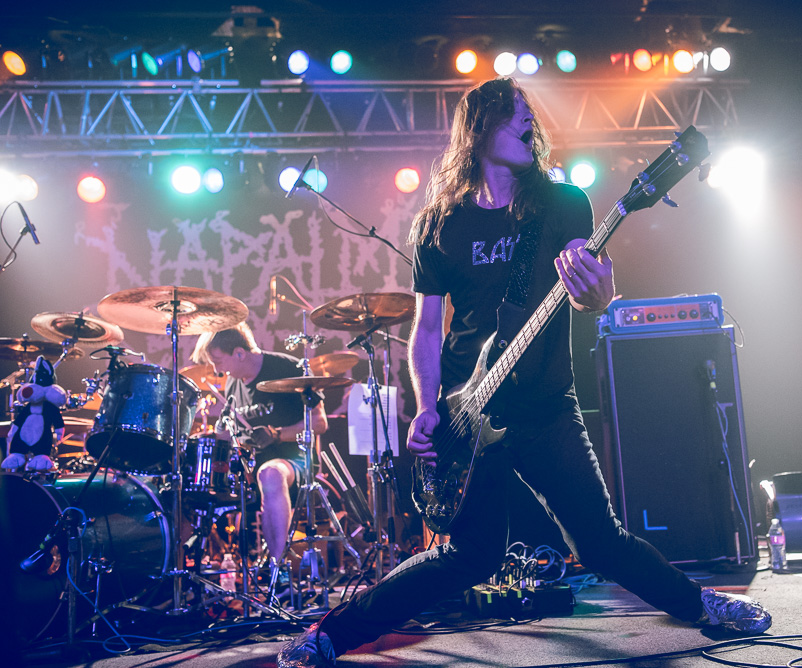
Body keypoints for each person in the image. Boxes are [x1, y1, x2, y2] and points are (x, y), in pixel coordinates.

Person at [279, 77, 770, 667]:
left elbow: (590, 294)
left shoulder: (563, 203)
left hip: (546, 405)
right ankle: (330, 636)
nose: (528, 123)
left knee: (601, 542)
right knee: (467, 556)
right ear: (479, 127)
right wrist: (428, 408)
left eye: (530, 116)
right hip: (467, 411)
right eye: (514, 114)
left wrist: (598, 295)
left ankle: (702, 606)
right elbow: (428, 329)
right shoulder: (439, 223)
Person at [192, 322, 328, 571]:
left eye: (218, 361)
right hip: (251, 465)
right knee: (191, 484)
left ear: (239, 353)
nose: (217, 370)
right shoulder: (233, 385)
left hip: (294, 461)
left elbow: (319, 423)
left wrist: (277, 434)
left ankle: (279, 569)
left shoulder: (287, 367)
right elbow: (230, 434)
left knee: (270, 473)